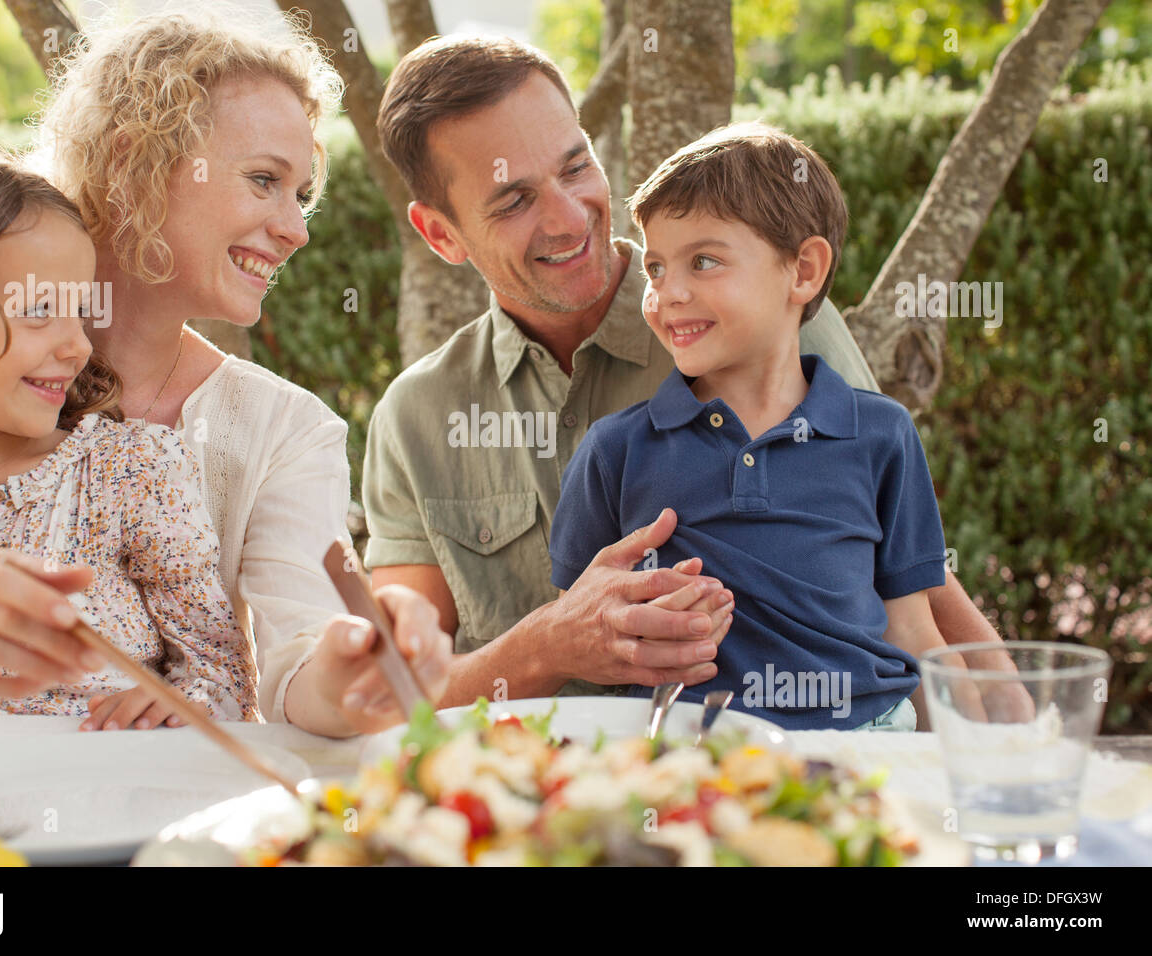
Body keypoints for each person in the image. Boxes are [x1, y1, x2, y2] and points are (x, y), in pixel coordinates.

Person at [362, 35, 1010, 712]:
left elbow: (909, 575)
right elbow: (394, 697)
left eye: (576, 166)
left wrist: (1017, 746)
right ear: (441, 235)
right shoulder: (418, 417)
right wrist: (546, 647)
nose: (567, 217)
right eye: (513, 200)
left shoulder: (756, 317)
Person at [0, 8, 450, 736]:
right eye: (264, 180)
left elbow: (294, 657)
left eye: (302, 195)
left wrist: (354, 668)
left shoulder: (278, 431)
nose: (297, 229)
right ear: (136, 165)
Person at [551, 122, 950, 731]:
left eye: (704, 261)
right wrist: (648, 628)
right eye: (655, 268)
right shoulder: (614, 451)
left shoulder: (882, 437)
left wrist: (981, 764)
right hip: (688, 753)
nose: (668, 292)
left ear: (804, 270)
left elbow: (913, 628)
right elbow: (579, 637)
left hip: (870, 744)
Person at [0, 141, 256, 725]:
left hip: (112, 805)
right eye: (39, 309)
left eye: (80, 313)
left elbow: (223, 675)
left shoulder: (128, 470)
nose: (78, 347)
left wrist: (181, 707)